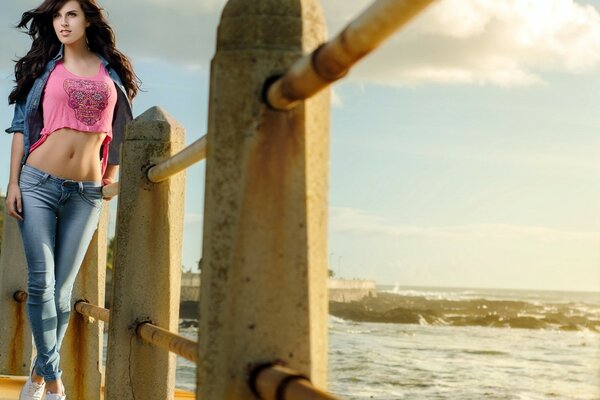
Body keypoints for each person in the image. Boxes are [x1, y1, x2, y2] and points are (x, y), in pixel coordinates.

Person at [4, 0, 138, 399]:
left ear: (87, 20)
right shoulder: (43, 70)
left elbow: (119, 131)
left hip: (87, 194)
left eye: (71, 15)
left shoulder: (109, 72)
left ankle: (38, 376)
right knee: (42, 283)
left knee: (62, 292)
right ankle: (55, 381)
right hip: (37, 183)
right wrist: (13, 184)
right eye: (57, 16)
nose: (63, 23)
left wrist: (109, 178)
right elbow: (18, 130)